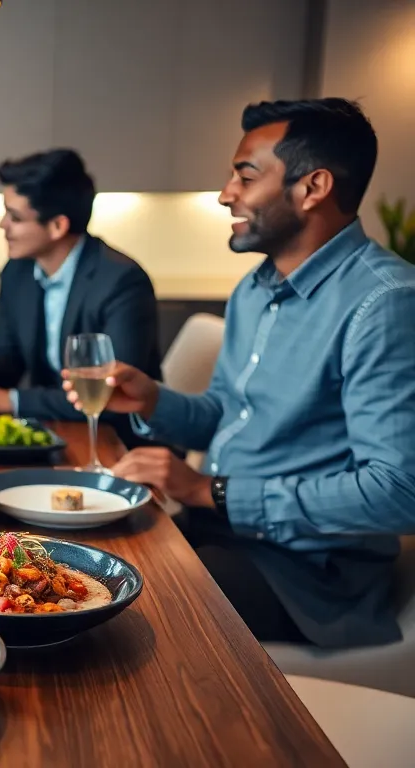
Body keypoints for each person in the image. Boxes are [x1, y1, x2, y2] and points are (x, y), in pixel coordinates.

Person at [66, 98, 415, 648]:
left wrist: (213, 490)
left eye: (245, 176)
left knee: (110, 619)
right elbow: (228, 416)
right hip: (219, 533)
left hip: (306, 578)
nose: (227, 193)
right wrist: (154, 400)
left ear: (312, 187)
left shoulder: (384, 302)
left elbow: (399, 491)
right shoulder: (255, 289)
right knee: (67, 572)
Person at [0, 149, 161, 443]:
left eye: (15, 217)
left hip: (117, 442)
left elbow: (112, 395)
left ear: (58, 225)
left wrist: (9, 401)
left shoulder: (121, 281)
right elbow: (8, 358)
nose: (2, 225)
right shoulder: (17, 272)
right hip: (53, 434)